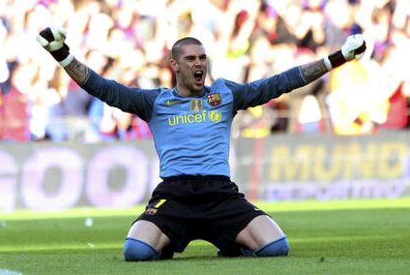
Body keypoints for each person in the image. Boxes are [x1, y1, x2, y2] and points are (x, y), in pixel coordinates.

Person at [37, 27, 366, 260]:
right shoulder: (154, 101)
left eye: (202, 58)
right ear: (175, 66)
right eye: (191, 59)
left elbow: (279, 83)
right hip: (175, 194)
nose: (199, 64)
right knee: (135, 252)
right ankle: (167, 242)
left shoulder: (225, 94)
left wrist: (337, 58)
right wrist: (61, 54)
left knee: (276, 248)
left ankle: (230, 243)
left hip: (220, 193)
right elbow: (103, 88)